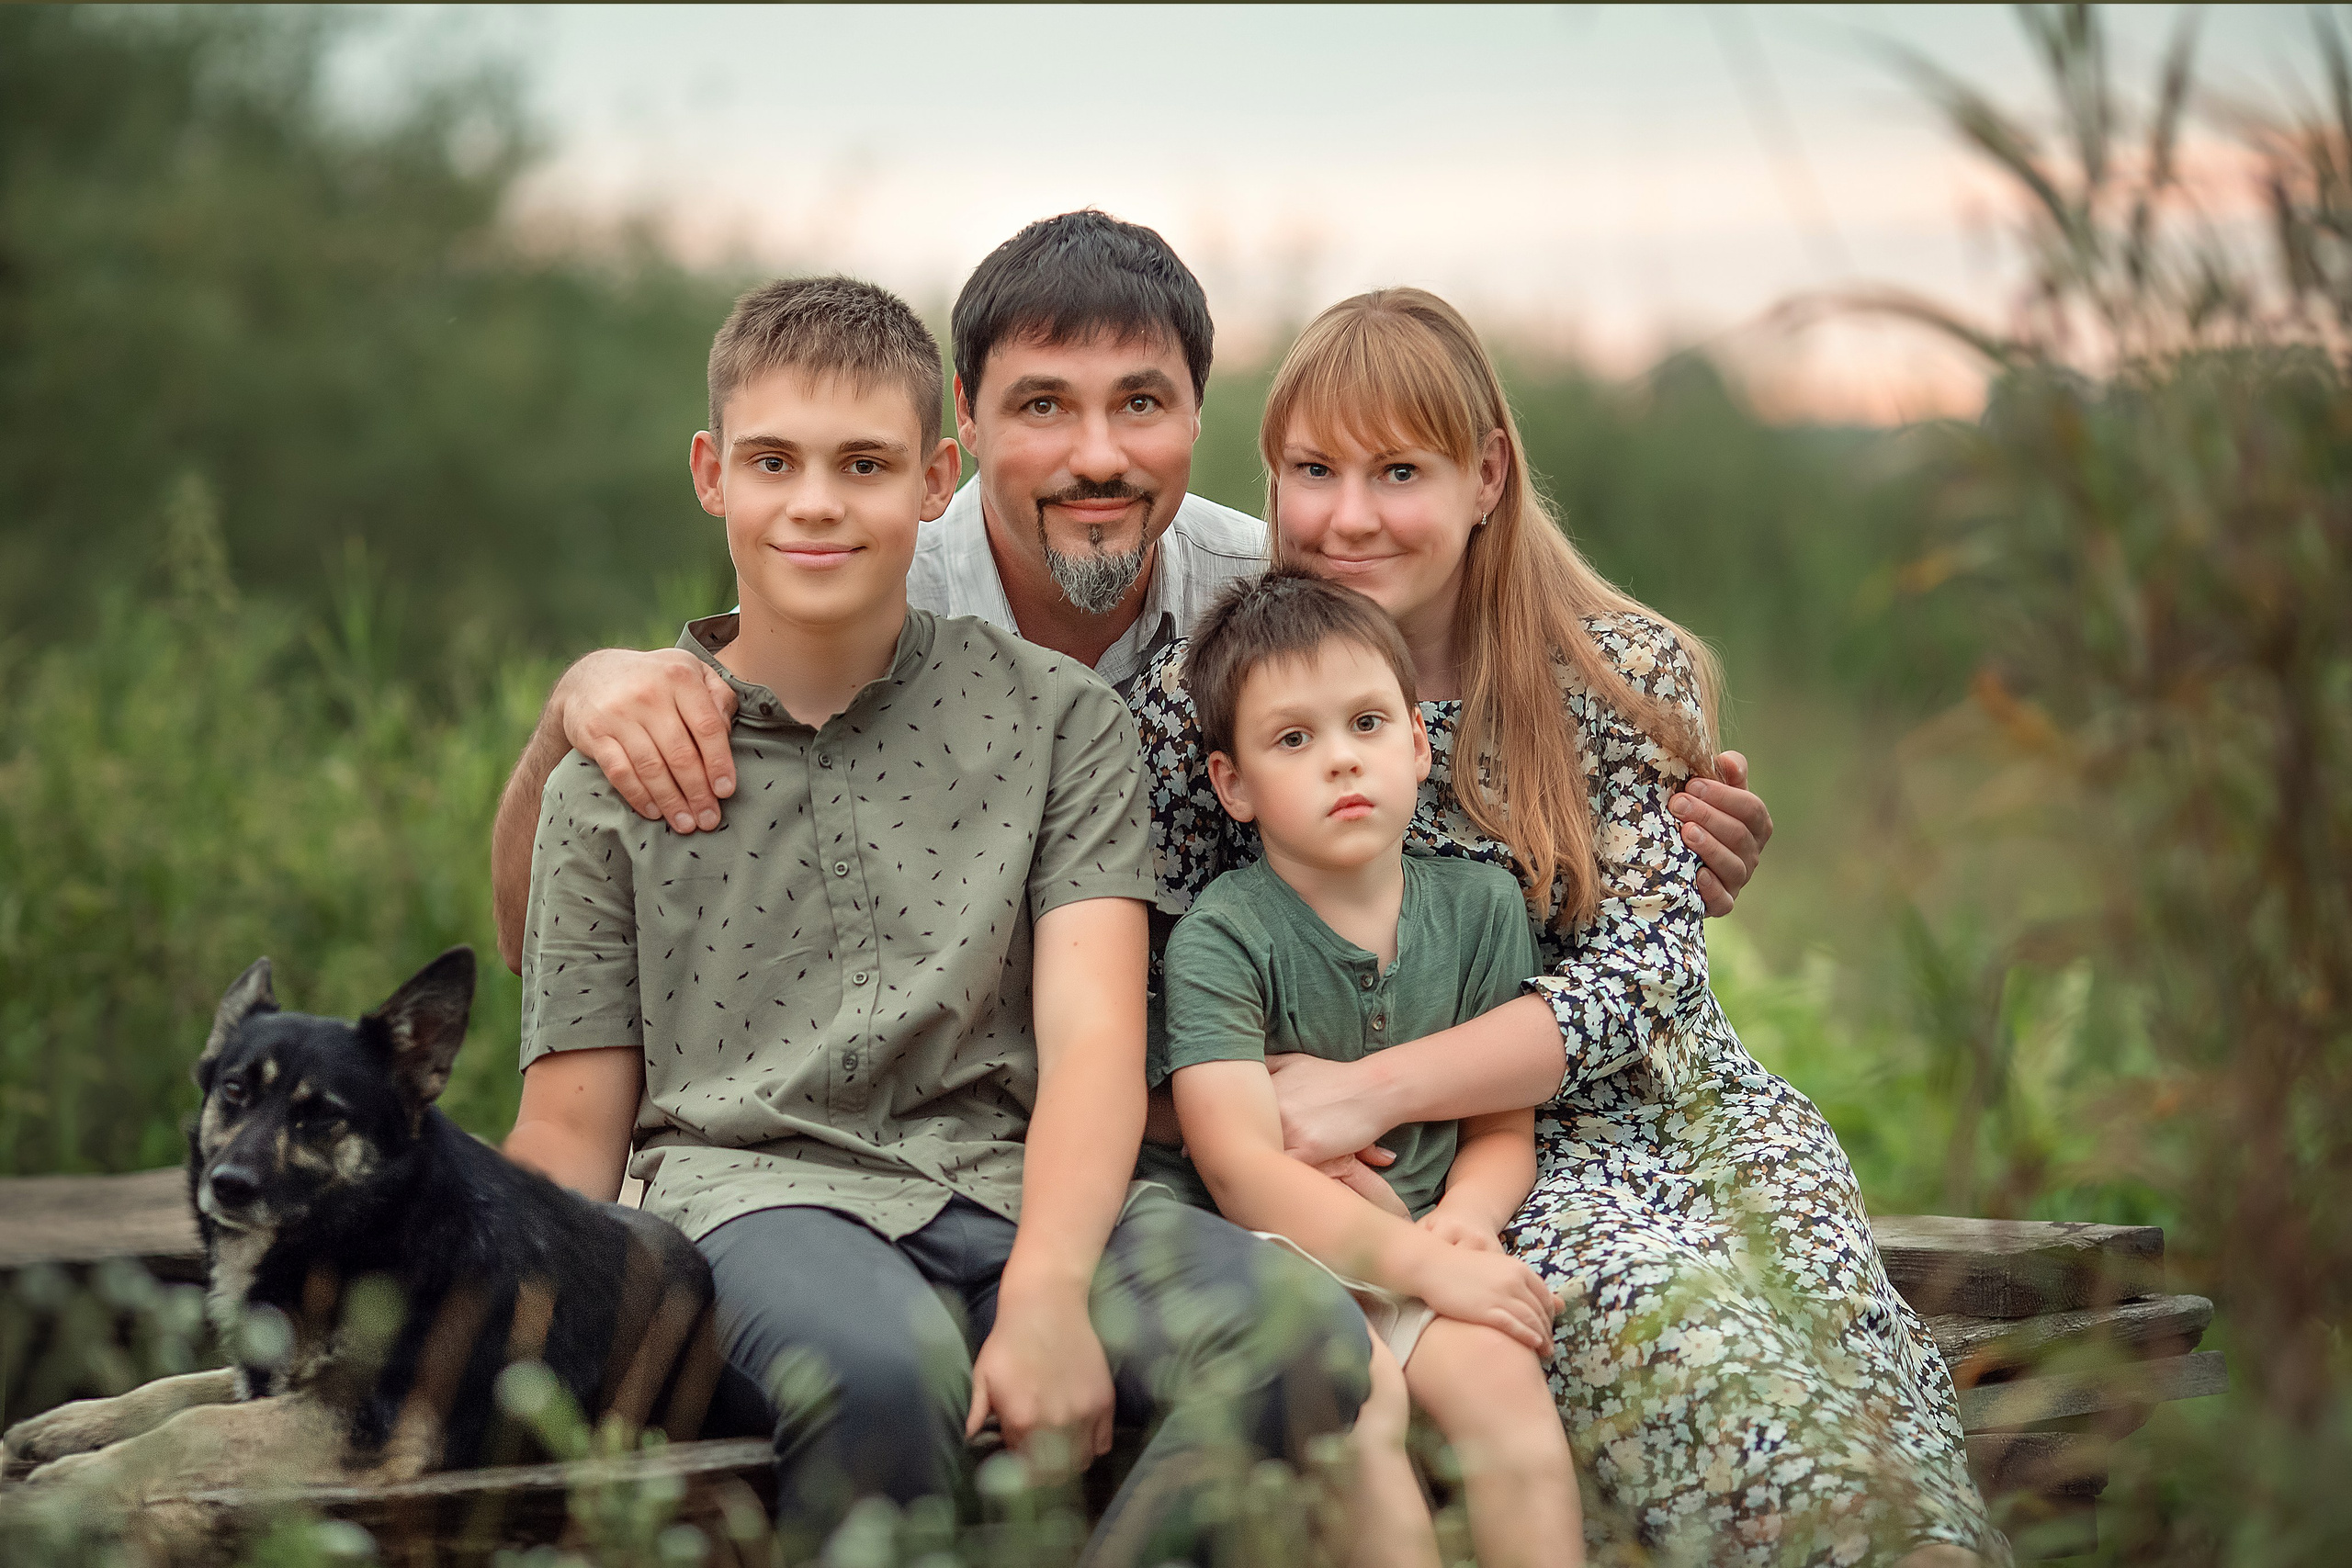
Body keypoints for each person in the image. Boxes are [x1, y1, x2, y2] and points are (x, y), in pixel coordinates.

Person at [501, 275, 1372, 1562]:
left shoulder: (1057, 725)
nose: (813, 501)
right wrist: (494, 1341)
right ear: (710, 473)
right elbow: (570, 1125)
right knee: (881, 1369)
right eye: (772, 461)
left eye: (862, 463)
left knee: (1298, 1331)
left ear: (933, 477)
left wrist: (1049, 1291)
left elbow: (1088, 1042)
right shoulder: (616, 772)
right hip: (761, 1201)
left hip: (1016, 1187)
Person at [1128, 288, 2000, 1567]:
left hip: (1683, 1109)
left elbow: (1646, 973)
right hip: (1499, 1162)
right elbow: (1176, 965)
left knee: (1847, 1347)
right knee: (1696, 1351)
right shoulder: (1215, 695)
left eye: (1399, 470)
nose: (1350, 513)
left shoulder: (1610, 673)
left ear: (1487, 476)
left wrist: (1365, 1085)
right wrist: (1289, 1100)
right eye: (1313, 470)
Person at [484, 210, 1777, 982]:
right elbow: (568, 932)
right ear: (966, 433)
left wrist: (1631, 838)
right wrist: (579, 703)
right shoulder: (875, 587)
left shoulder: (1281, 603)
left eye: (1140, 404)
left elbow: (1434, 791)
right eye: (1043, 405)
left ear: (1198, 421)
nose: (1097, 453)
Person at [1160, 568, 1582, 1568]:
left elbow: (1499, 1125)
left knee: (1505, 1393)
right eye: (1293, 740)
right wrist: (1419, 1265)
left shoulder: (1480, 908)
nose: (1340, 761)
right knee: (1360, 1407)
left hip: (1430, 1248)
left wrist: (1467, 1225)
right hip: (1286, 1265)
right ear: (1233, 785)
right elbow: (1237, 1168)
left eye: (1365, 723)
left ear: (1417, 740)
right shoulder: (1223, 937)